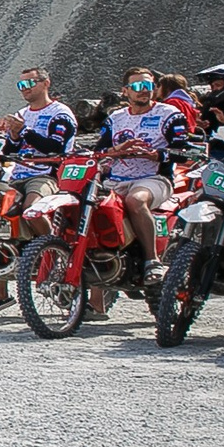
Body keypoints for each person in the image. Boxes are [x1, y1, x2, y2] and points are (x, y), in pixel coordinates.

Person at [92, 67, 187, 285]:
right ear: (125, 91)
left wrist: (156, 155)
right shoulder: (115, 118)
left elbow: (183, 151)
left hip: (154, 178)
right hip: (116, 179)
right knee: (91, 206)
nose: (143, 91)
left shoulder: (170, 114)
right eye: (137, 87)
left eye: (148, 86)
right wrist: (116, 151)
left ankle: (152, 260)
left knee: (135, 200)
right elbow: (99, 150)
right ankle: (95, 299)